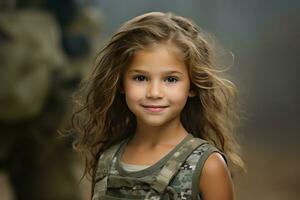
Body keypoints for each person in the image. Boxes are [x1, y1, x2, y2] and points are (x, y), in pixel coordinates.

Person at [72, 12, 245, 200]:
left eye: (170, 79)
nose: (154, 93)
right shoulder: (107, 160)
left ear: (192, 86)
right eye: (140, 78)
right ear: (120, 83)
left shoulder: (207, 166)